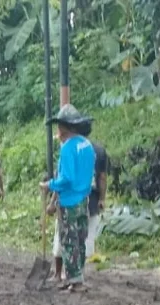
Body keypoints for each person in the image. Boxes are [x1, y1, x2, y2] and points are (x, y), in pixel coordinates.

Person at [42, 105, 95, 293]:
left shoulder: (67, 148)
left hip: (70, 201)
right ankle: (78, 276)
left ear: (64, 127)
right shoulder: (87, 145)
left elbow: (67, 178)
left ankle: (75, 280)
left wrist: (50, 185)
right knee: (80, 239)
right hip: (84, 200)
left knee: (69, 241)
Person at [80, 121, 110, 258]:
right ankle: (85, 264)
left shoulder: (72, 148)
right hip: (92, 196)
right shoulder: (99, 150)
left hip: (75, 196)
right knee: (90, 233)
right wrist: (102, 198)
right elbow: (102, 177)